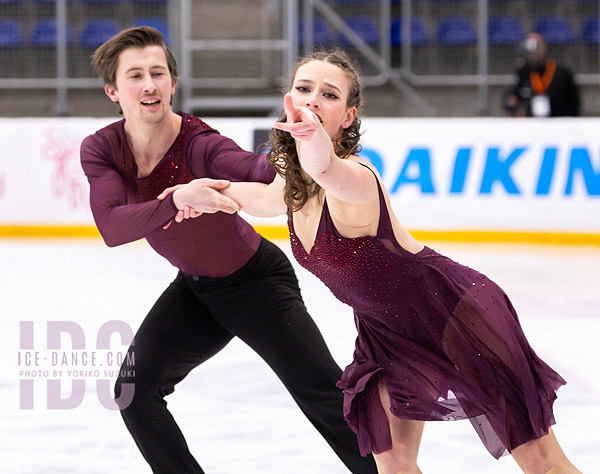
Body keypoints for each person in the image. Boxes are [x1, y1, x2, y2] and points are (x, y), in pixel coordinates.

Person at [164, 49, 584, 474]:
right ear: (288, 99)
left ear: (347, 116)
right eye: (304, 89)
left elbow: (324, 166)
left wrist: (311, 140)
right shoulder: (290, 186)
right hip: (387, 333)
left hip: (453, 313)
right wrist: (196, 191)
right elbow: (255, 196)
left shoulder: (357, 177)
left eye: (329, 95)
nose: (312, 100)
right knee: (393, 462)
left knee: (540, 461)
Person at [79, 27, 377, 474]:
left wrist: (298, 145)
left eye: (158, 73)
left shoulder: (197, 141)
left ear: (173, 84)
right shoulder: (102, 149)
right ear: (113, 91)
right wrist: (176, 199)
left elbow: (251, 168)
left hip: (256, 283)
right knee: (134, 393)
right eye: (135, 75)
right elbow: (111, 226)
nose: (149, 85)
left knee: (320, 393)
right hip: (195, 291)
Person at [503, 32, 580, 117]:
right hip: (533, 123)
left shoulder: (562, 72)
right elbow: (515, 94)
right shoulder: (525, 72)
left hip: (559, 121)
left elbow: (574, 101)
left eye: (537, 46)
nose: (534, 51)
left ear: (545, 46)